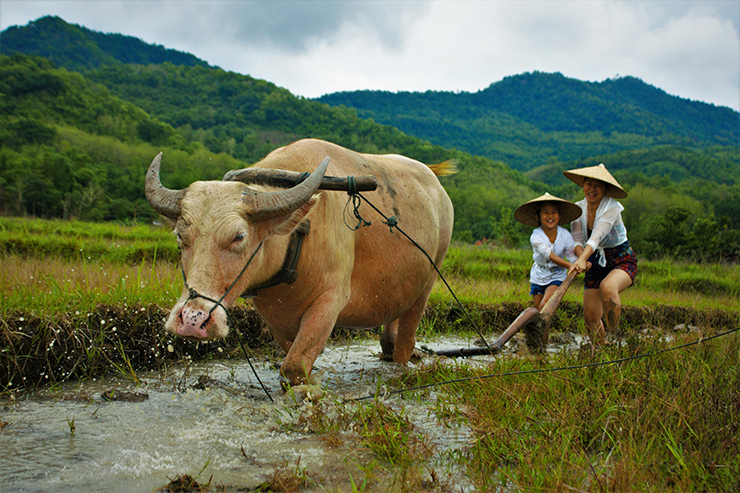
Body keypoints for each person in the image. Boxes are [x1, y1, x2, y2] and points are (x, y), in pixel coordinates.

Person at [563, 163, 637, 346]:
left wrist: (582, 259)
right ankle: (601, 349)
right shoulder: (578, 210)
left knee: (608, 288)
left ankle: (614, 337)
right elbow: (578, 240)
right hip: (594, 260)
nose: (592, 189)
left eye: (598, 186)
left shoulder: (612, 208)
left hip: (620, 258)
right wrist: (583, 259)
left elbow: (596, 237)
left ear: (605, 190)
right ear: (583, 185)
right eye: (589, 184)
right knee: (590, 315)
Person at [514, 193, 581, 311]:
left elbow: (572, 255)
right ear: (538, 217)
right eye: (545, 212)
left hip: (557, 275)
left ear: (559, 215)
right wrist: (569, 265)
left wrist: (577, 264)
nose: (550, 216)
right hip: (539, 275)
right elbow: (549, 254)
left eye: (554, 212)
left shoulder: (565, 234)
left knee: (545, 304)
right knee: (538, 310)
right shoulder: (536, 236)